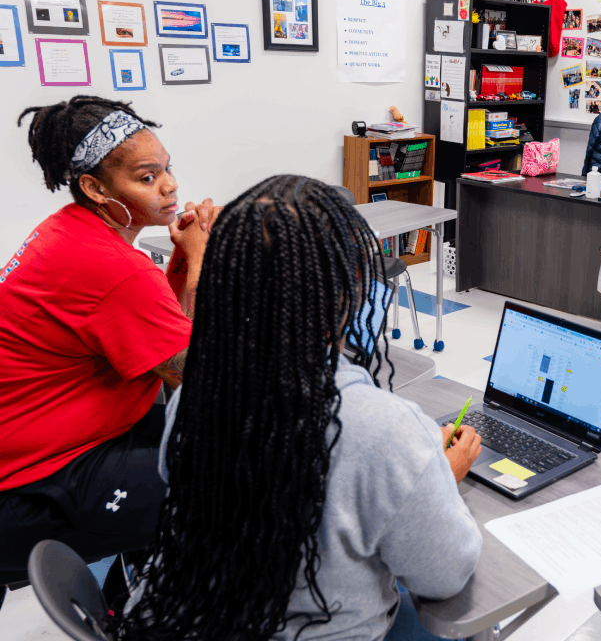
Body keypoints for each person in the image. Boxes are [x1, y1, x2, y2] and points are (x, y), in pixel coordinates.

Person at [114, 176, 484, 641]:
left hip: (184, 620)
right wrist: (437, 481)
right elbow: (444, 576)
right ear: (348, 291)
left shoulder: (196, 391)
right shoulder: (384, 429)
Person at [0, 96, 218, 585]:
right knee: (223, 486)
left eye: (166, 169)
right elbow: (200, 378)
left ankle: (138, 594)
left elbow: (161, 343)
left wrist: (181, 263)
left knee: (168, 427)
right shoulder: (111, 267)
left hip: (53, 442)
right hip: (32, 482)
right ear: (96, 188)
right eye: (146, 178)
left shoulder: (69, 231)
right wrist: (203, 261)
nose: (169, 185)